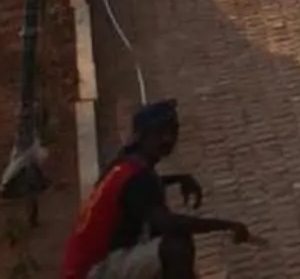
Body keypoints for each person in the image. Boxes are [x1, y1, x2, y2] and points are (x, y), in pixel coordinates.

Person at [61, 100, 254, 278]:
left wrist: (179, 179)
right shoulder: (138, 178)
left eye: (173, 131)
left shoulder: (124, 164)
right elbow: (168, 223)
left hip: (90, 264)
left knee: (159, 237)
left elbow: (139, 193)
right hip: (93, 271)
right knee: (176, 246)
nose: (168, 139)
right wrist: (225, 225)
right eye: (160, 133)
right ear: (142, 136)